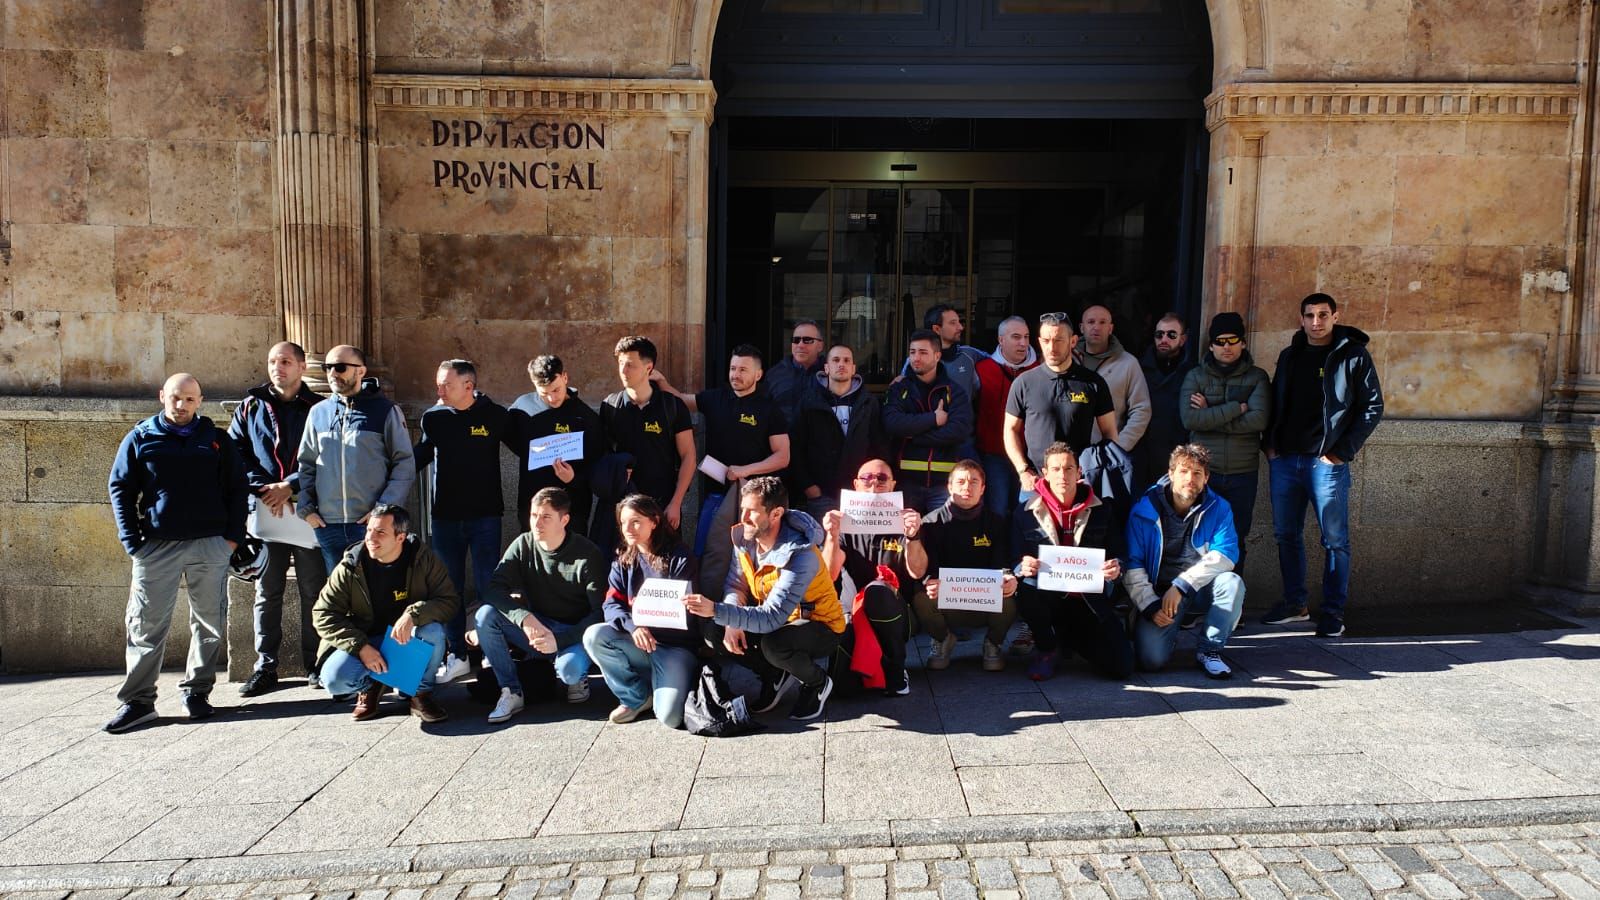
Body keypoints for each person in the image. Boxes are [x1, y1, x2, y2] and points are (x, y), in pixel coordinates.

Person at [105, 374, 249, 733]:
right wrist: (132, 541)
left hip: (210, 546)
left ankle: (197, 691)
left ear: (199, 401)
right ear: (162, 397)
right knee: (145, 625)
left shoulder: (216, 439)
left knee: (208, 622)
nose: (181, 405)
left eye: (189, 399)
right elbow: (120, 487)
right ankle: (138, 702)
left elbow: (237, 488)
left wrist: (231, 538)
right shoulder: (141, 437)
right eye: (175, 398)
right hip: (157, 547)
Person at [1262, 293, 1384, 638]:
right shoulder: (1290, 356)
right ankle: (1295, 605)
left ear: (1335, 316)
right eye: (1310, 315)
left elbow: (1372, 407)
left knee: (1334, 540)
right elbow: (1275, 401)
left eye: (1323, 315)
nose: (1316, 321)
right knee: (1286, 535)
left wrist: (1340, 453)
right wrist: (1269, 446)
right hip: (1285, 460)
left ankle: (1332, 612)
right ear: (1301, 319)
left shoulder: (1353, 356)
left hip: (1326, 464)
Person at [684, 477, 844, 721]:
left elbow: (772, 617)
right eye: (742, 509)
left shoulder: (801, 554)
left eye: (752, 511)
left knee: (775, 645)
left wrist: (717, 610)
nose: (744, 517)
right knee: (714, 633)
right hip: (777, 621)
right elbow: (736, 584)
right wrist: (730, 620)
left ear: (776, 513)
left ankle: (817, 683)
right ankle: (774, 674)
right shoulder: (745, 539)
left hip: (820, 626)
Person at [652, 345, 791, 599]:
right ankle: (706, 609)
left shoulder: (769, 409)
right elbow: (681, 401)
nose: (736, 374)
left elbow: (783, 456)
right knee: (709, 554)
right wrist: (661, 381)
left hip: (756, 502)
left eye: (743, 370)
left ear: (758, 375)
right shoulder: (715, 398)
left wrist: (745, 471)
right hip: (716, 497)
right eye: (733, 368)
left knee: (754, 559)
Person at [230, 342, 328, 695]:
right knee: (266, 591)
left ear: (302, 367)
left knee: (313, 591)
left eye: (285, 361)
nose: (277, 368)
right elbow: (235, 453)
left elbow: (326, 456)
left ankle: (316, 663)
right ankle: (265, 667)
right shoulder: (250, 406)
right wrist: (264, 489)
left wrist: (290, 486)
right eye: (272, 361)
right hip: (267, 511)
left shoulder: (320, 408)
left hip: (308, 511)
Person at [414, 359, 514, 685]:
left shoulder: (495, 416)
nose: (439, 390)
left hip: (486, 517)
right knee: (449, 589)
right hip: (445, 519)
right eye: (438, 383)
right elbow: (417, 458)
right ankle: (456, 655)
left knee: (489, 586)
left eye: (446, 385)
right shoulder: (434, 418)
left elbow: (530, 447)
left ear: (468, 386)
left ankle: (490, 651)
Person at [470, 487, 607, 722]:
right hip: (538, 626)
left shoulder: (588, 554)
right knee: (485, 616)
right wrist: (523, 617)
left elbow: (600, 614)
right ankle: (511, 691)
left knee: (569, 672)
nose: (537, 523)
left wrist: (560, 640)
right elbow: (493, 588)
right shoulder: (524, 544)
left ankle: (577, 672)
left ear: (564, 520)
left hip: (575, 632)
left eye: (546, 517)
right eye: (534, 515)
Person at [312, 504, 458, 723]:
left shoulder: (422, 558)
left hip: (406, 639)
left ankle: (420, 694)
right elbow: (323, 613)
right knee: (333, 679)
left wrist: (413, 615)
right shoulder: (352, 564)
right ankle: (371, 686)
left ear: (400, 537)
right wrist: (360, 646)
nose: (371, 538)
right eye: (369, 530)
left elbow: (449, 600)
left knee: (433, 632)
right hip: (367, 640)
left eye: (380, 532)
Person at [582, 494, 710, 727]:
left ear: (654, 521)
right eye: (623, 523)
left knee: (670, 718)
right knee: (595, 635)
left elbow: (682, 610)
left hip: (675, 647)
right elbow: (611, 604)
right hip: (640, 643)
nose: (628, 529)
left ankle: (672, 679)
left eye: (636, 521)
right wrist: (634, 626)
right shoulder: (622, 559)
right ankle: (637, 696)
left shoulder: (680, 556)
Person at [1011, 442, 1130, 681]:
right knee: (1024, 587)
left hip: (1089, 599)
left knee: (1122, 667)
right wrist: (1021, 566)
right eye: (1055, 469)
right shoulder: (1024, 512)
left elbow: (1120, 553)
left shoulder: (1103, 509)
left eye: (1068, 469)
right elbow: (1013, 559)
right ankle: (1047, 647)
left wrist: (1117, 567)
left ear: (1079, 473)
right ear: (1044, 473)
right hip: (1047, 599)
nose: (1062, 475)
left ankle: (1070, 639)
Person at [1125, 445, 1244, 679]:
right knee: (1151, 661)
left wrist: (1181, 585)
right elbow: (1132, 563)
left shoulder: (1219, 508)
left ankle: (1210, 650)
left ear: (1206, 478)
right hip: (1160, 594)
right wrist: (1149, 605)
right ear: (1171, 474)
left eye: (1197, 473)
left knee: (1232, 583)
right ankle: (1167, 635)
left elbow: (1226, 554)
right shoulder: (1144, 508)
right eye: (1184, 471)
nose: (1190, 478)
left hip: (1197, 588)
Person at [297, 345, 416, 574]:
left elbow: (404, 463)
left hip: (371, 525)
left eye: (340, 367)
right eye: (327, 367)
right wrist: (307, 508)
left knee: (375, 594)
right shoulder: (318, 412)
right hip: (328, 524)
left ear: (360, 371)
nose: (332, 373)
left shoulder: (386, 411)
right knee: (340, 597)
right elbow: (307, 464)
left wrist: (383, 510)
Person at [819, 458, 923, 696]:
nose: (874, 483)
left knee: (877, 591)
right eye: (867, 478)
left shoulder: (906, 520)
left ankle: (896, 668)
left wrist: (914, 537)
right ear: (856, 485)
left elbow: (917, 571)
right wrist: (832, 537)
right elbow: (829, 575)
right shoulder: (842, 523)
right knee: (845, 690)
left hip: (899, 617)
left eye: (882, 478)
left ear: (893, 485)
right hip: (853, 614)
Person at [1180, 312, 1270, 566]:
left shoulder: (1257, 377)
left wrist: (1210, 411)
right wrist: (1235, 408)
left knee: (1235, 538)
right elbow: (1190, 420)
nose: (1227, 347)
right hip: (1204, 472)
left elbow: (1259, 420)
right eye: (1220, 341)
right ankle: (1195, 601)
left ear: (1243, 343)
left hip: (1243, 473)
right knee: (1196, 537)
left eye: (1233, 340)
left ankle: (1230, 600)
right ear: (1211, 345)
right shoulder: (1195, 376)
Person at [916, 459, 1018, 672]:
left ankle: (993, 644)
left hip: (985, 601)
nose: (967, 487)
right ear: (949, 487)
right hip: (946, 602)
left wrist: (1008, 578)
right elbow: (928, 570)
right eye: (960, 481)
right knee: (921, 598)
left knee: (1010, 595)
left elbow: (1002, 564)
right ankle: (943, 639)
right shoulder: (931, 523)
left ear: (983, 489)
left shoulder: (996, 522)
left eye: (973, 482)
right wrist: (930, 582)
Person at [1004, 313, 1118, 496]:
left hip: (1079, 483)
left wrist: (1095, 471)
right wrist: (1023, 470)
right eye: (1046, 340)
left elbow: (1110, 433)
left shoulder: (1093, 383)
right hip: (1035, 483)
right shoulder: (1024, 383)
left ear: (1073, 341)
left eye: (1058, 340)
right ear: (1039, 341)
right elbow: (1010, 430)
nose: (1052, 347)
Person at [599, 336, 695, 530]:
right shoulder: (610, 406)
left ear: (648, 368)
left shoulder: (672, 406)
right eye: (620, 364)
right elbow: (602, 452)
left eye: (630, 365)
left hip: (662, 504)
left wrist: (676, 503)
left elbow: (689, 456)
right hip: (623, 506)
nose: (623, 371)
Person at [883, 329, 975, 512]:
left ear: (937, 356)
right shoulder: (898, 389)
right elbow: (891, 423)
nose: (916, 358)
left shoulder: (953, 392)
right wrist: (933, 419)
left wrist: (914, 436)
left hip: (944, 484)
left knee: (941, 538)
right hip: (905, 483)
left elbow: (959, 431)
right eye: (912, 352)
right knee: (905, 539)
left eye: (923, 352)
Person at [792, 343, 887, 519]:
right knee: (824, 545)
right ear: (826, 368)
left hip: (860, 494)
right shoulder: (808, 402)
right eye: (836, 360)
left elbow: (878, 445)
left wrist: (875, 484)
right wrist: (809, 487)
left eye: (846, 360)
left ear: (853, 369)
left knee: (858, 546)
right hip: (821, 494)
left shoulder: (869, 403)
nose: (841, 364)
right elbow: (796, 447)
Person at [511, 355, 600, 537]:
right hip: (532, 507)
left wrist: (574, 478)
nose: (552, 398)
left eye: (556, 390)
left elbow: (597, 463)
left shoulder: (586, 417)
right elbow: (512, 441)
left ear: (565, 377)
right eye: (544, 393)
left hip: (572, 510)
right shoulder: (521, 408)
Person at [973, 316, 1040, 518]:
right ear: (1001, 340)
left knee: (1028, 513)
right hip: (994, 455)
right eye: (1016, 337)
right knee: (998, 511)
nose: (1023, 343)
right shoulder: (981, 370)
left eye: (1027, 337)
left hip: (1031, 458)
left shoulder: (1040, 371)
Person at [1075, 304, 1151, 454]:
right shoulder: (1067, 360)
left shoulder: (1128, 363)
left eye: (1102, 322)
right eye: (1091, 322)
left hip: (1107, 456)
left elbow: (1141, 410)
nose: (1096, 327)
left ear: (1110, 328)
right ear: (1081, 327)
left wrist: (1118, 447)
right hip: (1066, 458)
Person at [1137, 313, 1197, 492]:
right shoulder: (1138, 368)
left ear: (1183, 339)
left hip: (1179, 452)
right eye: (1159, 334)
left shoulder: (1194, 372)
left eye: (1171, 335)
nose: (1164, 339)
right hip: (1145, 453)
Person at [901, 304, 985, 416]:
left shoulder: (970, 355)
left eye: (959, 322)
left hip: (961, 430)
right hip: (926, 429)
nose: (961, 327)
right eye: (953, 323)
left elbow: (1000, 361)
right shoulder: (915, 361)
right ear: (937, 329)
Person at [763, 318, 825, 424]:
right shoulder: (774, 375)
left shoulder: (831, 374)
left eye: (807, 340)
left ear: (820, 346)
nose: (800, 345)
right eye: (796, 340)